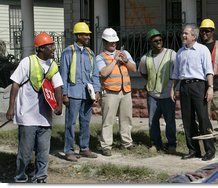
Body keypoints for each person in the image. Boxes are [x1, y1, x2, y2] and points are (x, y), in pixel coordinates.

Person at [6, 32, 63, 183]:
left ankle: (40, 177)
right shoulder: (27, 62)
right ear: (41, 48)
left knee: (43, 151)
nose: (54, 49)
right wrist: (11, 108)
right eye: (51, 46)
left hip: (45, 117)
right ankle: (20, 176)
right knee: (25, 152)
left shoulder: (53, 66)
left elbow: (58, 87)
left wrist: (59, 105)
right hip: (27, 116)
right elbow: (15, 84)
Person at [171, 24, 216, 161]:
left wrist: (210, 87)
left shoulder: (202, 50)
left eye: (186, 33)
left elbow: (209, 70)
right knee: (187, 120)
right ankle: (193, 149)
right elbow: (176, 73)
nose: (183, 36)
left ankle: (210, 150)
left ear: (194, 36)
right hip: (184, 87)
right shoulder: (180, 52)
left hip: (199, 86)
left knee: (203, 118)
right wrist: (173, 88)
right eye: (183, 33)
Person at [59, 21, 101, 161]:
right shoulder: (68, 52)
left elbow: (95, 73)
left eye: (88, 34)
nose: (88, 37)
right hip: (73, 93)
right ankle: (69, 151)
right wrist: (64, 94)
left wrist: (97, 90)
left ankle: (84, 148)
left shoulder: (90, 53)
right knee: (70, 123)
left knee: (85, 122)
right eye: (85, 34)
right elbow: (63, 74)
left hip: (87, 94)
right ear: (78, 35)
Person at [96, 28, 136, 156]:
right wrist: (114, 61)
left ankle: (127, 142)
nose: (114, 44)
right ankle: (106, 146)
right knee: (108, 120)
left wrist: (125, 60)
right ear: (104, 42)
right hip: (110, 92)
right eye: (110, 42)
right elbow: (103, 73)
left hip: (126, 91)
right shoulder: (100, 57)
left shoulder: (124, 53)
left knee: (126, 118)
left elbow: (134, 68)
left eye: (115, 42)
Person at [138, 28, 177, 153]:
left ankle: (172, 144)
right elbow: (143, 73)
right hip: (152, 95)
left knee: (170, 121)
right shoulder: (145, 58)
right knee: (152, 121)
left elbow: (178, 72)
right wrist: (151, 81)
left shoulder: (171, 54)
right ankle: (155, 143)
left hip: (167, 95)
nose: (159, 42)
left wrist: (173, 87)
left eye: (160, 40)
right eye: (155, 41)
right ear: (150, 42)